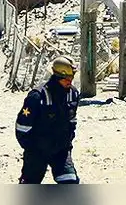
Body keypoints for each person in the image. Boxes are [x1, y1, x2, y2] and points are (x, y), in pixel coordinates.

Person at [14, 56, 80, 184]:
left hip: (61, 150)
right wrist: (32, 149)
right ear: (56, 77)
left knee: (70, 183)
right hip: (37, 152)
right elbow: (22, 128)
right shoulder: (37, 97)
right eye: (66, 79)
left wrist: (67, 141)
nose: (70, 82)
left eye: (71, 78)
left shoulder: (73, 94)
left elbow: (72, 121)